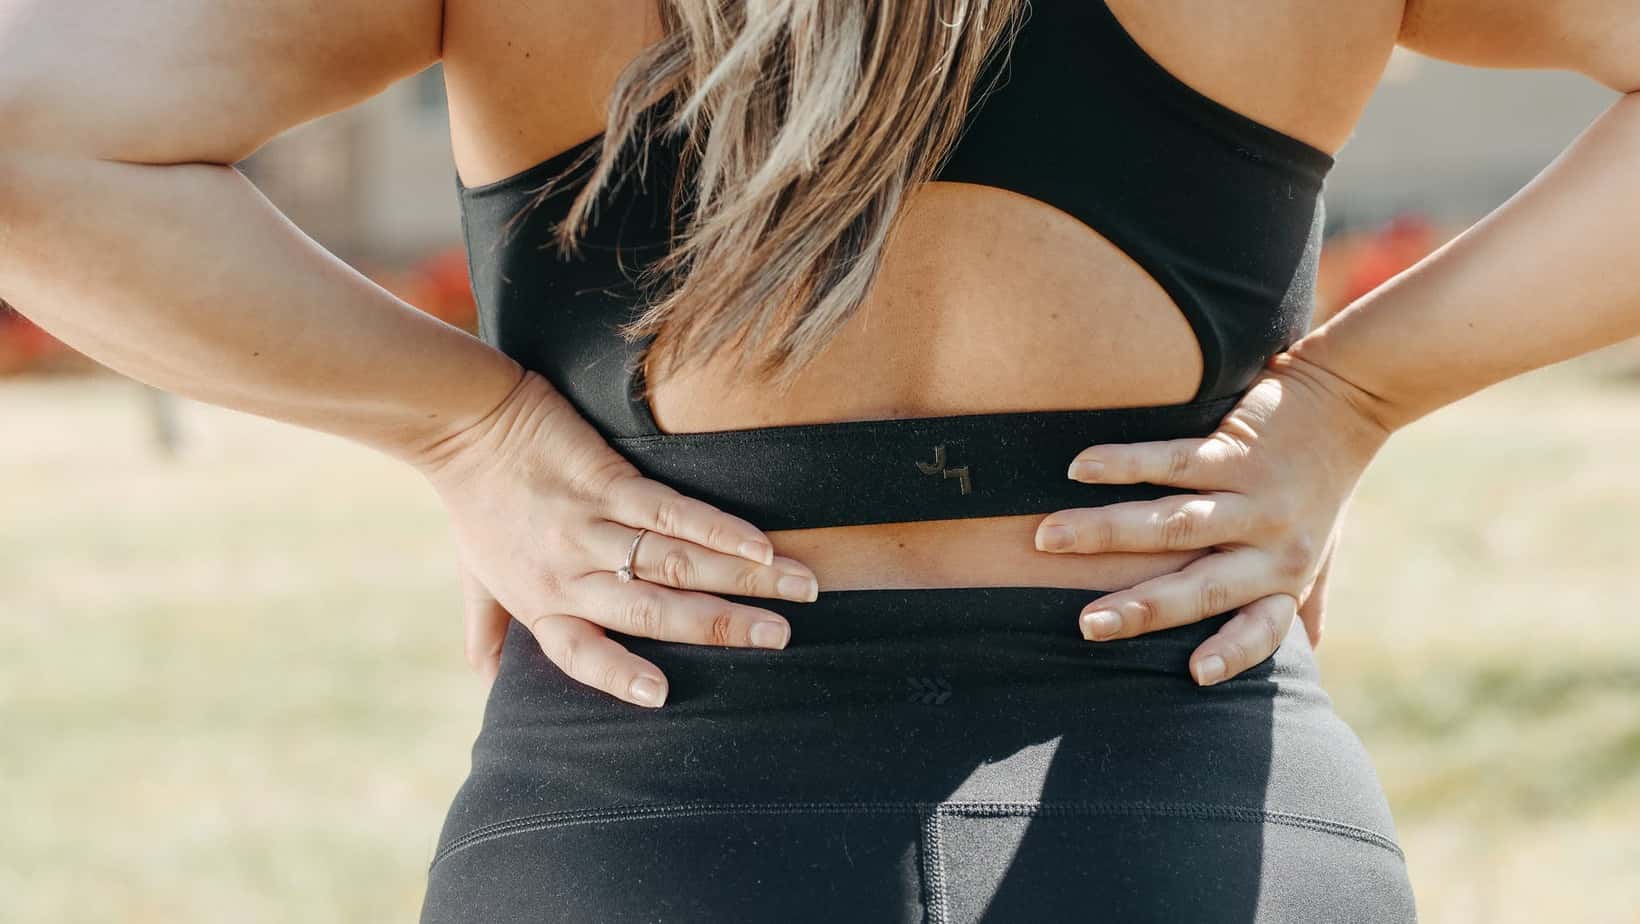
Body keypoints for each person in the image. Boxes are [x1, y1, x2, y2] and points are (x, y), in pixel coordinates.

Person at [2, 1, 1635, 920]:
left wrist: (468, 426)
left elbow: (24, 129)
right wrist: (1353, 395)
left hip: (634, 840)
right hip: (1206, 836)